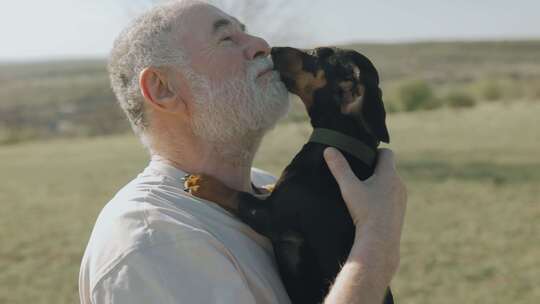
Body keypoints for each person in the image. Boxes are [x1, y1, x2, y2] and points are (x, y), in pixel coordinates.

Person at [78, 1, 407, 303]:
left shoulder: (266, 184)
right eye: (226, 39)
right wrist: (376, 243)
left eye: (245, 32)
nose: (261, 45)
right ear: (163, 89)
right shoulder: (149, 243)